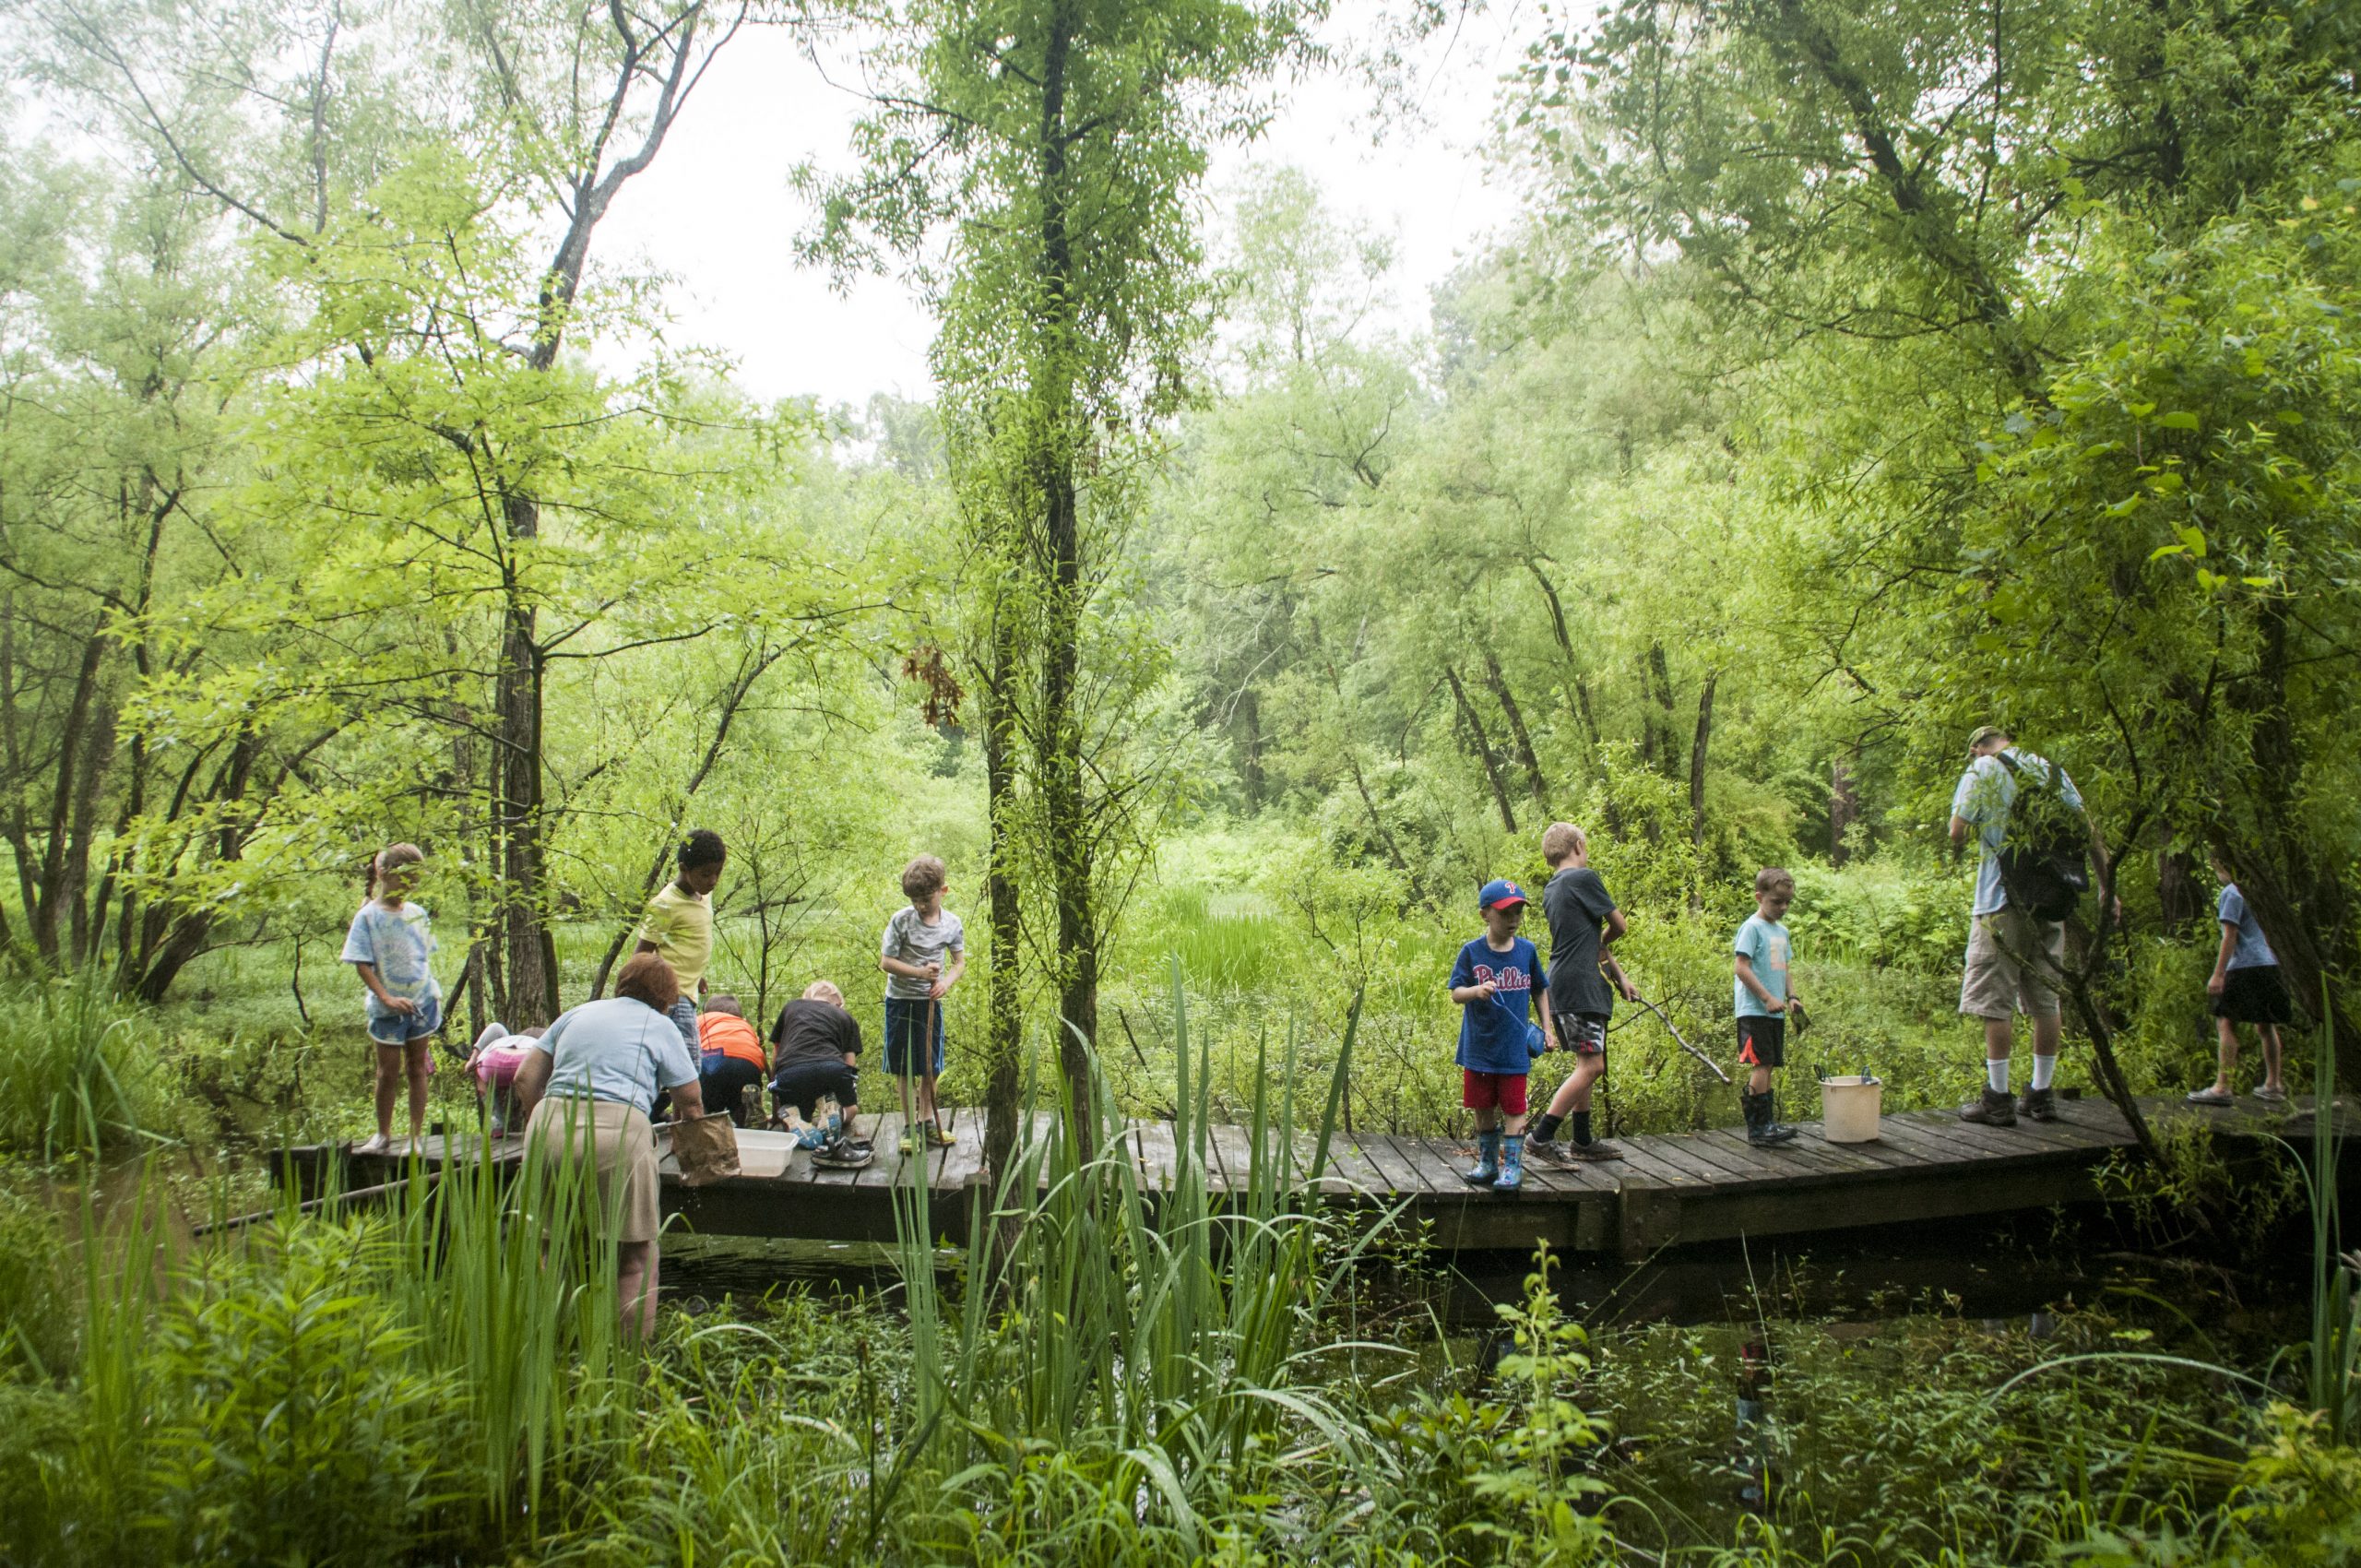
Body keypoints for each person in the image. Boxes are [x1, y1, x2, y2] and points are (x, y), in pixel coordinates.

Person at [512, 952, 704, 1340]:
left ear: (622, 985)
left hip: (549, 1125)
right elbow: (692, 1101)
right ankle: (630, 1362)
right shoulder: (660, 1024)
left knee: (552, 1245)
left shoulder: (578, 1014)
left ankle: (550, 1347)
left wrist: (543, 1122)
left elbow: (523, 1077)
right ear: (667, 999)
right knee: (634, 1258)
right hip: (619, 1133)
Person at [1948, 725, 2115, 1126]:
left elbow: (1958, 829)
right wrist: (2109, 888)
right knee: (2045, 1000)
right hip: (2051, 898)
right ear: (2008, 739)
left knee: (1994, 999)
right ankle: (2041, 1096)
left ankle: (1998, 1099)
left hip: (2001, 900)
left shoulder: (1982, 769)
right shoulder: (2050, 769)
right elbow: (2088, 831)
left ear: (1976, 749)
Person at [1527, 823, 1635, 1165]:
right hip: (1581, 986)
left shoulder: (1552, 888)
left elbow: (1584, 942)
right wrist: (1606, 944)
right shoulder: (1584, 879)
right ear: (1579, 845)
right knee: (1592, 1066)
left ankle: (1583, 1140)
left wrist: (1619, 976)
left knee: (1584, 1062)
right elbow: (1619, 926)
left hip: (1562, 982)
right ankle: (1540, 1137)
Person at [1447, 878, 1556, 1194]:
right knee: (1482, 1106)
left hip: (1513, 1049)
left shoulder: (1526, 951)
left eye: (1518, 912)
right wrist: (1476, 991)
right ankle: (1487, 1162)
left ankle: (1512, 1167)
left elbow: (1540, 988)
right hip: (1479, 1047)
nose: (1514, 920)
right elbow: (1456, 993)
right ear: (1485, 914)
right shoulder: (1471, 952)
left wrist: (1547, 1029)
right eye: (1506, 913)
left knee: (1514, 1107)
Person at [340, 842, 442, 1156]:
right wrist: (386, 997)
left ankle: (414, 1137)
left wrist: (425, 994)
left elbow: (422, 957)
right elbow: (361, 962)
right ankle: (383, 1134)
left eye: (414, 881)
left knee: (417, 1069)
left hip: (421, 1003)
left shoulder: (417, 914)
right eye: (404, 878)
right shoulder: (368, 917)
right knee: (388, 1071)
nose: (408, 886)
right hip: (386, 1008)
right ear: (384, 874)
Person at [2186, 860, 2292, 1105]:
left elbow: (2230, 935)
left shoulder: (2232, 892)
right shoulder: (2260, 891)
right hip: (2270, 962)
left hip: (2245, 964)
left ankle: (2222, 1087)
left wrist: (2219, 973)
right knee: (2265, 1025)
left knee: (2225, 1022)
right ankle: (2274, 1084)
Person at [879, 854, 965, 1154]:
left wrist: (945, 983)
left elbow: (958, 964)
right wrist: (918, 972)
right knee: (904, 1067)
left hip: (930, 1003)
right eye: (915, 899)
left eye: (925, 898)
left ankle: (927, 1121)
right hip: (901, 1001)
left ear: (943, 891)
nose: (919, 905)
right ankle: (909, 1126)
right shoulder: (901, 921)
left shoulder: (951, 924)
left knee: (931, 1066)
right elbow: (886, 963)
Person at [635, 829, 727, 1053]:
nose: (713, 880)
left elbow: (685, 942)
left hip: (688, 990)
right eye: (706, 874)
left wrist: (696, 975)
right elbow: (641, 956)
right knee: (689, 1069)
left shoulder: (703, 893)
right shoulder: (664, 905)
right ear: (684, 869)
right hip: (672, 997)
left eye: (718, 872)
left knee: (678, 1067)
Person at [1733, 868, 1803, 1147]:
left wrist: (1792, 997)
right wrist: (1765, 997)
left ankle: (1766, 1124)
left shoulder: (1782, 931)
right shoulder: (1752, 927)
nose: (1783, 907)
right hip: (1754, 1010)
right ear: (1759, 897)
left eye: (1787, 902)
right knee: (1761, 1064)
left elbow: (1784, 968)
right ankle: (1758, 1128)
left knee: (1769, 1064)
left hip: (1775, 1011)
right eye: (1776, 902)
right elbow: (1741, 968)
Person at [769, 980, 870, 1164]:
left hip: (791, 1071)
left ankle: (795, 1119)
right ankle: (834, 1112)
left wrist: (776, 1082)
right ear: (838, 1004)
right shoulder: (844, 1017)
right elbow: (850, 1063)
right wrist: (848, 1096)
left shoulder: (791, 1008)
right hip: (832, 1068)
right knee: (851, 1109)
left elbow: (777, 1050)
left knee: (799, 1111)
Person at [695, 994, 768, 1126]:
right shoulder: (745, 1026)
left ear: (707, 1011)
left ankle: (706, 1121)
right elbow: (759, 1055)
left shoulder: (702, 1019)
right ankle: (745, 1113)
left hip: (713, 1061)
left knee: (704, 1099)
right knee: (738, 1101)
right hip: (749, 1063)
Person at [464, 1021, 544, 1136]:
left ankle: (496, 1123)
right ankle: (537, 1124)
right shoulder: (537, 1043)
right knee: (541, 1082)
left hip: (491, 1061)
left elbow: (494, 1028)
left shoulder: (506, 1040)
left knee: (479, 1073)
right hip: (525, 1061)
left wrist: (474, 1059)